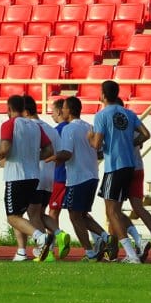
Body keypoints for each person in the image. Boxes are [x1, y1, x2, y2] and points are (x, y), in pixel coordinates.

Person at [89, 80, 148, 264]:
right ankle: (137, 242)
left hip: (114, 166)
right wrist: (128, 143)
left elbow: (97, 145)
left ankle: (131, 253)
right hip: (130, 165)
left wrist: (90, 138)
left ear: (103, 95)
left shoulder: (101, 115)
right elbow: (146, 134)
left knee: (111, 211)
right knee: (116, 211)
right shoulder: (129, 113)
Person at [0, 94, 54, 262]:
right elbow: (49, 150)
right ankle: (21, 252)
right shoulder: (35, 126)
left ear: (9, 108)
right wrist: (33, 157)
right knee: (19, 215)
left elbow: (5, 148)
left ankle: (40, 238)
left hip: (16, 175)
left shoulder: (9, 124)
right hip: (34, 175)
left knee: (12, 217)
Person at [54, 97, 109, 262]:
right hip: (92, 175)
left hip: (77, 178)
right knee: (83, 214)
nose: (61, 111)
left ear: (69, 110)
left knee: (74, 215)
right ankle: (106, 237)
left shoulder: (68, 129)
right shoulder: (88, 126)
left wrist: (51, 158)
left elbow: (67, 153)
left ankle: (89, 252)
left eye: (63, 108)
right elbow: (99, 151)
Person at [113, 97, 151, 263]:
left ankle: (135, 241)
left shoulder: (117, 122)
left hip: (122, 167)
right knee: (138, 207)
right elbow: (142, 140)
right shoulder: (133, 120)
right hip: (138, 166)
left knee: (114, 211)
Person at [23, 95, 66, 261]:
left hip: (34, 175)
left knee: (32, 213)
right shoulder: (51, 129)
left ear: (25, 112)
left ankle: (44, 250)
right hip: (50, 176)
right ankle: (59, 234)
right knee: (40, 213)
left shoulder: (28, 128)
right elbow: (59, 152)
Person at [48, 99, 69, 226]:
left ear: (59, 112)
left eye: (53, 111)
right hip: (74, 176)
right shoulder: (74, 128)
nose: (52, 115)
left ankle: (52, 243)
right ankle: (101, 237)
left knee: (53, 211)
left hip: (59, 175)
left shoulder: (56, 131)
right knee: (79, 212)